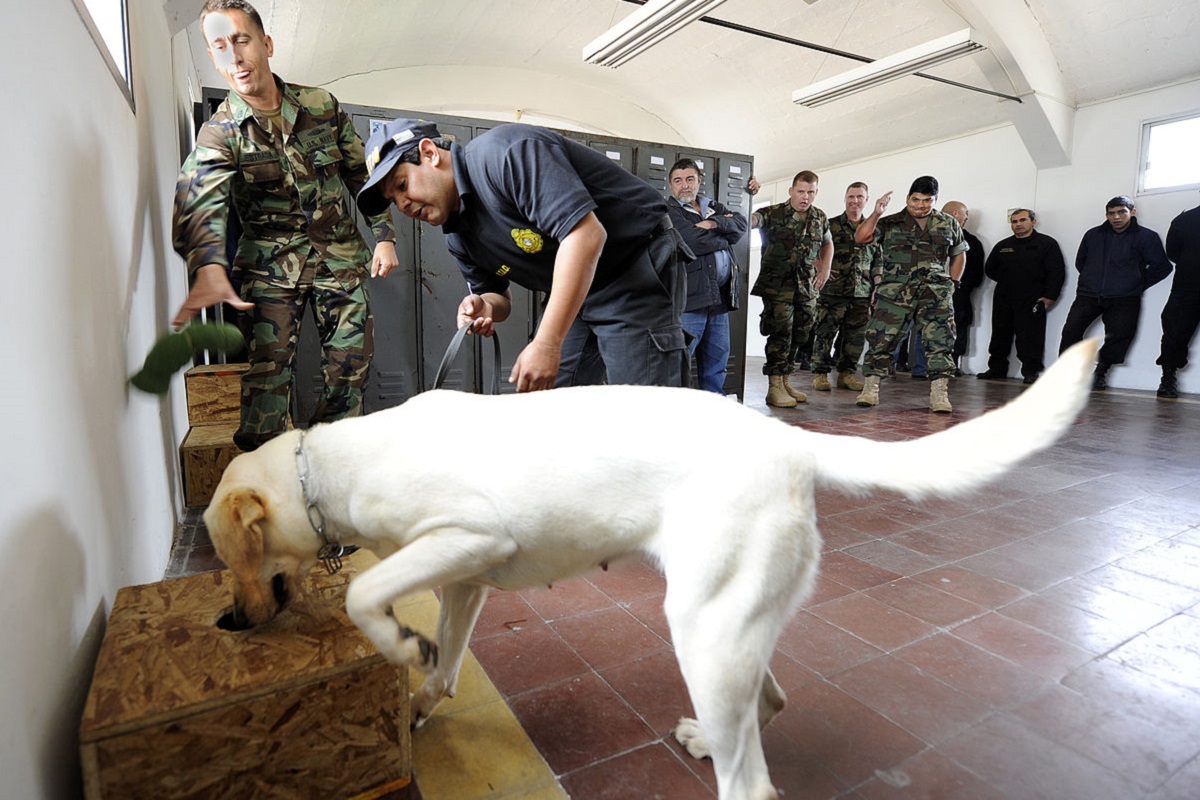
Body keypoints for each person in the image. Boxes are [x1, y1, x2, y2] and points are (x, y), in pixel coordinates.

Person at [172, 0, 399, 451]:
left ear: (266, 44)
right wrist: (208, 263)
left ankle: (327, 462)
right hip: (271, 269)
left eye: (241, 40)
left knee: (350, 368)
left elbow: (361, 175)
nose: (234, 57)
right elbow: (196, 199)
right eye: (219, 47)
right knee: (267, 381)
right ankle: (264, 476)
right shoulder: (221, 133)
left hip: (340, 259)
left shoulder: (321, 105)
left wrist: (385, 236)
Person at [355, 119, 689, 392]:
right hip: (576, 286)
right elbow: (500, 299)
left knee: (642, 412)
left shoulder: (504, 154)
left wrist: (547, 343)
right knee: (545, 400)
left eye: (401, 186)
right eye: (394, 202)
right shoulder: (459, 235)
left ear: (429, 153)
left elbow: (586, 234)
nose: (403, 205)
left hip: (630, 264)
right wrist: (483, 305)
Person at [853, 176, 967, 412]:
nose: (920, 205)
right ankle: (870, 388)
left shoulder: (947, 222)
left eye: (927, 200)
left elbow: (958, 253)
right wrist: (875, 213)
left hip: (935, 292)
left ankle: (939, 394)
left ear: (935, 200)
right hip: (895, 292)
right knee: (881, 339)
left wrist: (953, 283)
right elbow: (860, 238)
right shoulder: (891, 222)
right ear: (908, 198)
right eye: (916, 199)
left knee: (940, 342)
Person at [1059, 195, 1173, 390]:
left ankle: (1100, 373)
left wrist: (1135, 283)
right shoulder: (1093, 234)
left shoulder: (1146, 237)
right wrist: (1091, 278)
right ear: (1106, 215)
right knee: (1071, 331)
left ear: (1132, 212)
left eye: (1122, 212)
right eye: (1112, 213)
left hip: (1125, 298)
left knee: (1119, 336)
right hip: (1088, 294)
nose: (1116, 217)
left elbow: (1162, 267)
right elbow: (1082, 262)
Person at [749, 171, 833, 407]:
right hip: (778, 288)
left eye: (811, 192)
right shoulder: (773, 213)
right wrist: (749, 195)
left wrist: (825, 269)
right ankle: (774, 387)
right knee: (780, 334)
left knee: (801, 333)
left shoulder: (819, 217)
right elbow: (750, 220)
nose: (805, 197)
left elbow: (828, 242)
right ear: (791, 191)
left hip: (806, 288)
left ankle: (785, 380)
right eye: (801, 191)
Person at [666, 158, 748, 394]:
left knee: (716, 364)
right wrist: (726, 235)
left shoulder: (714, 206)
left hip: (719, 299)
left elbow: (741, 225)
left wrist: (712, 223)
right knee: (680, 363)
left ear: (699, 181)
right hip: (690, 301)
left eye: (690, 179)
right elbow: (691, 241)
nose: (684, 185)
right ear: (671, 185)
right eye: (678, 181)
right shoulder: (669, 211)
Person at [976, 209, 1066, 384]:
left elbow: (1056, 273)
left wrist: (1049, 297)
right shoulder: (1003, 246)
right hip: (1004, 296)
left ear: (1033, 222)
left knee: (1030, 336)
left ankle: (1031, 372)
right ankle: (996, 369)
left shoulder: (1046, 244)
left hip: (1032, 298)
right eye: (1014, 221)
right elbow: (990, 269)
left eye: (1022, 220)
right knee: (1000, 334)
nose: (1018, 224)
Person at [810, 182, 877, 392]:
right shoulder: (829, 225)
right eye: (851, 196)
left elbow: (880, 260)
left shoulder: (874, 229)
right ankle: (820, 374)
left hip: (862, 292)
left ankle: (846, 374)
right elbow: (811, 248)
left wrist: (877, 286)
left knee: (855, 337)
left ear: (866, 200)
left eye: (859, 197)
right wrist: (821, 266)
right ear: (845, 198)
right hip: (832, 290)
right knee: (825, 333)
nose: (854, 201)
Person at [1156, 197, 1200, 398]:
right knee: (1174, 332)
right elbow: (1173, 253)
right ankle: (1168, 378)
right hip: (1187, 286)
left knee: (1175, 332)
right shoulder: (1184, 221)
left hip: (1186, 285)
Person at [942, 201, 986, 375]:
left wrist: (960, 286)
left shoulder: (972, 242)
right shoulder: (929, 235)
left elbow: (977, 272)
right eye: (965, 213)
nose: (967, 217)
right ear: (955, 213)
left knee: (958, 325)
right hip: (930, 291)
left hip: (959, 293)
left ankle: (953, 363)